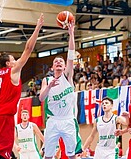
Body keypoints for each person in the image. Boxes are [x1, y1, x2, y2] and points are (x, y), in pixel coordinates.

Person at [0, 14, 44, 159]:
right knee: (4, 155)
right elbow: (28, 49)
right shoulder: (13, 71)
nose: (16, 61)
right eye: (13, 59)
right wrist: (38, 28)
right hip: (4, 118)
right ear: (8, 64)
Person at [39, 20, 81, 159]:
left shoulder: (68, 76)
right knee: (48, 155)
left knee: (71, 155)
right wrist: (49, 87)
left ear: (64, 67)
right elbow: (41, 98)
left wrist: (71, 34)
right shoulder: (47, 80)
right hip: (53, 120)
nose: (58, 62)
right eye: (55, 61)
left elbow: (70, 54)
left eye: (60, 62)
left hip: (68, 120)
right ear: (52, 67)